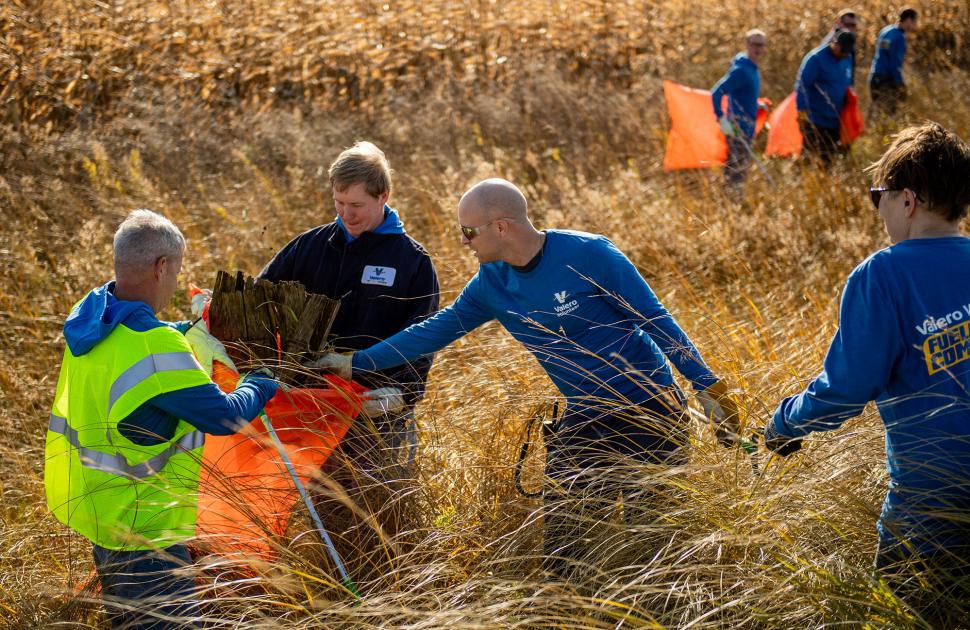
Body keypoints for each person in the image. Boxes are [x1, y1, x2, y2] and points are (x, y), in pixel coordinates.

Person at [309, 178, 741, 581]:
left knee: (655, 540)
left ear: (501, 226)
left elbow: (658, 321)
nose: (462, 241)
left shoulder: (591, 255)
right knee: (564, 546)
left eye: (469, 231)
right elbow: (433, 330)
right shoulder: (491, 284)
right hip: (587, 419)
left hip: (651, 410)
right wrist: (356, 363)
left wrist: (706, 388)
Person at [762, 123, 970, 626]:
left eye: (877, 194)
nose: (877, 209)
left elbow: (846, 391)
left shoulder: (882, 275)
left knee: (903, 612)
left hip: (930, 507)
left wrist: (783, 424)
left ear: (907, 199)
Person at [45, 209, 278, 629]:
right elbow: (225, 417)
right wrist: (262, 380)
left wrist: (190, 330)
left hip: (102, 515)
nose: (173, 284)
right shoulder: (157, 349)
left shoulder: (92, 319)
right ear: (162, 266)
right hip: (147, 529)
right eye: (176, 272)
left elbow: (140, 343)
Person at [258, 141, 439, 577]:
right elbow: (263, 299)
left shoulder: (412, 262)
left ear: (384, 197)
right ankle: (331, 583)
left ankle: (388, 586)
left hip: (380, 413)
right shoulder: (310, 247)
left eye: (356, 205)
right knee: (325, 509)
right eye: (339, 203)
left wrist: (402, 394)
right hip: (313, 410)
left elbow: (423, 336)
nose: (346, 214)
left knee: (381, 510)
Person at [711, 28, 766, 195]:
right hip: (737, 127)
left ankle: (731, 201)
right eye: (755, 44)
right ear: (747, 45)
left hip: (747, 125)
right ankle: (732, 203)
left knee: (739, 167)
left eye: (762, 45)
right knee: (737, 169)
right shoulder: (741, 70)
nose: (758, 48)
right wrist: (721, 118)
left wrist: (756, 105)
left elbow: (741, 94)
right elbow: (717, 92)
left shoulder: (752, 68)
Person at [795, 30, 855, 166]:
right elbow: (802, 87)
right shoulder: (815, 59)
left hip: (835, 120)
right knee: (808, 159)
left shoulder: (847, 58)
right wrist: (802, 116)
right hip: (815, 120)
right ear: (834, 43)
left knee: (829, 160)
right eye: (843, 50)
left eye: (848, 51)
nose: (845, 54)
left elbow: (847, 84)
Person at [869, 7, 918, 116]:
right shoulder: (899, 38)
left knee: (877, 111)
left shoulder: (885, 31)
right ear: (908, 19)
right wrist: (900, 83)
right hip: (886, 79)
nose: (914, 25)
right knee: (888, 114)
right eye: (914, 21)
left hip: (874, 76)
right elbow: (895, 64)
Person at [821, 9, 859, 84]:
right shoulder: (830, 42)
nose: (850, 28)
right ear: (839, 23)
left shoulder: (849, 40)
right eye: (847, 25)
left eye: (853, 25)